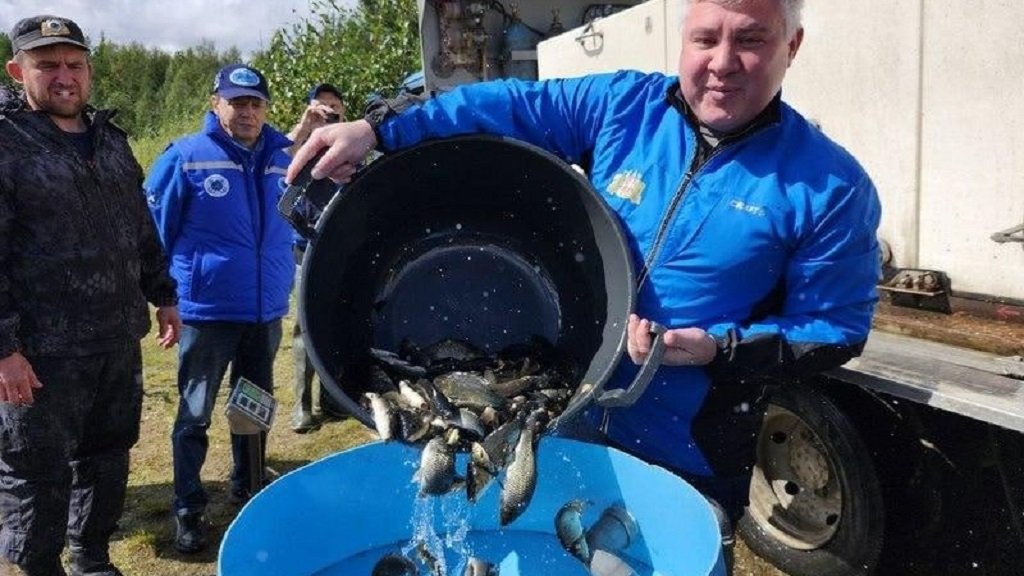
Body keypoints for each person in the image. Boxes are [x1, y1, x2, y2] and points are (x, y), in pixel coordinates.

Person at [288, 0, 881, 570]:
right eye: (706, 38)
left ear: (791, 45)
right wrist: (380, 128)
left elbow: (834, 331)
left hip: (688, 448)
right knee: (548, 557)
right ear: (684, 39)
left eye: (750, 39)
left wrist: (716, 348)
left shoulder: (828, 185)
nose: (722, 62)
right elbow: (507, 104)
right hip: (562, 420)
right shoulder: (625, 105)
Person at [0, 14, 181, 576]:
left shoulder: (111, 140)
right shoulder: (5, 144)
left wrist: (164, 294)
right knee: (36, 470)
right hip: (39, 352)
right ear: (17, 70)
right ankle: (38, 567)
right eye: (46, 64)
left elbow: (139, 227)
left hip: (114, 339)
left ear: (89, 71)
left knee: (106, 455)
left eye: (74, 64)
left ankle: (91, 555)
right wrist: (4, 350)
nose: (63, 76)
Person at [145, 63, 295, 554]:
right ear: (216, 104)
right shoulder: (186, 158)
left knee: (252, 408)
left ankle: (247, 488)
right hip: (207, 313)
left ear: (265, 108)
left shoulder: (285, 158)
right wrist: (163, 296)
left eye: (255, 103)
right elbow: (154, 234)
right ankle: (188, 508)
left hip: (265, 313)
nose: (247, 111)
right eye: (236, 102)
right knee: (195, 413)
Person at [285, 83, 347, 432]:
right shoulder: (301, 148)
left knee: (333, 321)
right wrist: (306, 124)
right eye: (321, 107)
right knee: (302, 328)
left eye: (333, 108)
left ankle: (332, 397)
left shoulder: (349, 145)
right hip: (305, 248)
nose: (328, 113)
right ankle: (302, 405)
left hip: (337, 245)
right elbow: (281, 156)